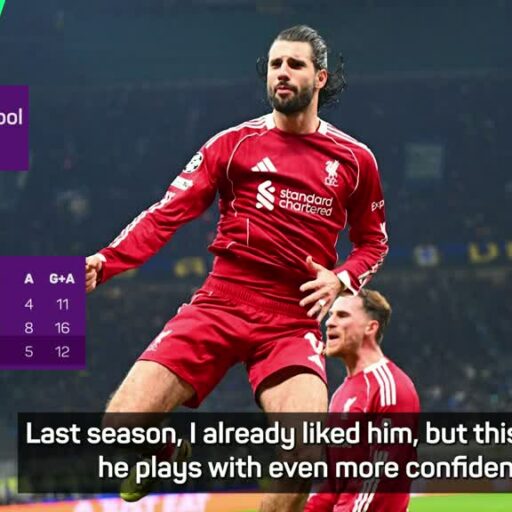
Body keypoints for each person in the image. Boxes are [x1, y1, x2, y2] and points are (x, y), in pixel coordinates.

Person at [85, 25, 388, 511]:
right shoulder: (232, 145)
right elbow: (167, 213)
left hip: (292, 319)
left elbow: (373, 242)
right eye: (275, 64)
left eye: (295, 64)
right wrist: (108, 260)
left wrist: (341, 279)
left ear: (320, 77)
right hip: (222, 301)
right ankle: (164, 452)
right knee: (118, 428)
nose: (282, 73)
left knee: (304, 456)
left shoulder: (355, 160)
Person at [304, 290, 420, 512]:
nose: (329, 322)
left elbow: (384, 478)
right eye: (331, 314)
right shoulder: (339, 395)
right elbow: (335, 483)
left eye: (342, 315)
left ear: (370, 327)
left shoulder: (390, 387)